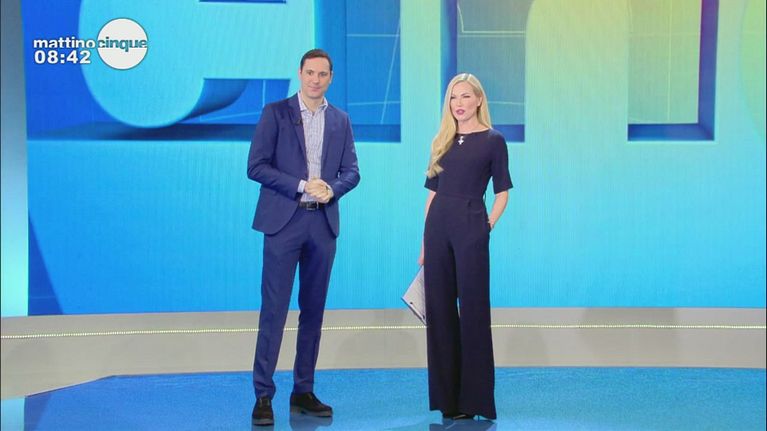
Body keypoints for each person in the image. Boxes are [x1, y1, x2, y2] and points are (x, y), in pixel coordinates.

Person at [247, 48, 360, 427]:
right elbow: (256, 167)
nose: (315, 80)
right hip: (284, 223)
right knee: (274, 311)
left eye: (322, 74)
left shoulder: (340, 120)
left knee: (313, 312)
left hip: (322, 225)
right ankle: (263, 395)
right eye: (310, 73)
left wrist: (333, 188)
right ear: (300, 73)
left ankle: (303, 391)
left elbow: (352, 171)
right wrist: (300, 185)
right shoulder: (275, 113)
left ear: (330, 78)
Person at [418, 73, 512, 421]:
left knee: (473, 311)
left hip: (471, 227)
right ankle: (448, 401)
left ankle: (475, 401)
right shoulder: (441, 140)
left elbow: (502, 193)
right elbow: (431, 195)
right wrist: (424, 242)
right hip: (437, 229)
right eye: (453, 98)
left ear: (479, 100)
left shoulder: (493, 140)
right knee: (440, 313)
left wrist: (486, 225)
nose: (459, 103)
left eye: (465, 96)